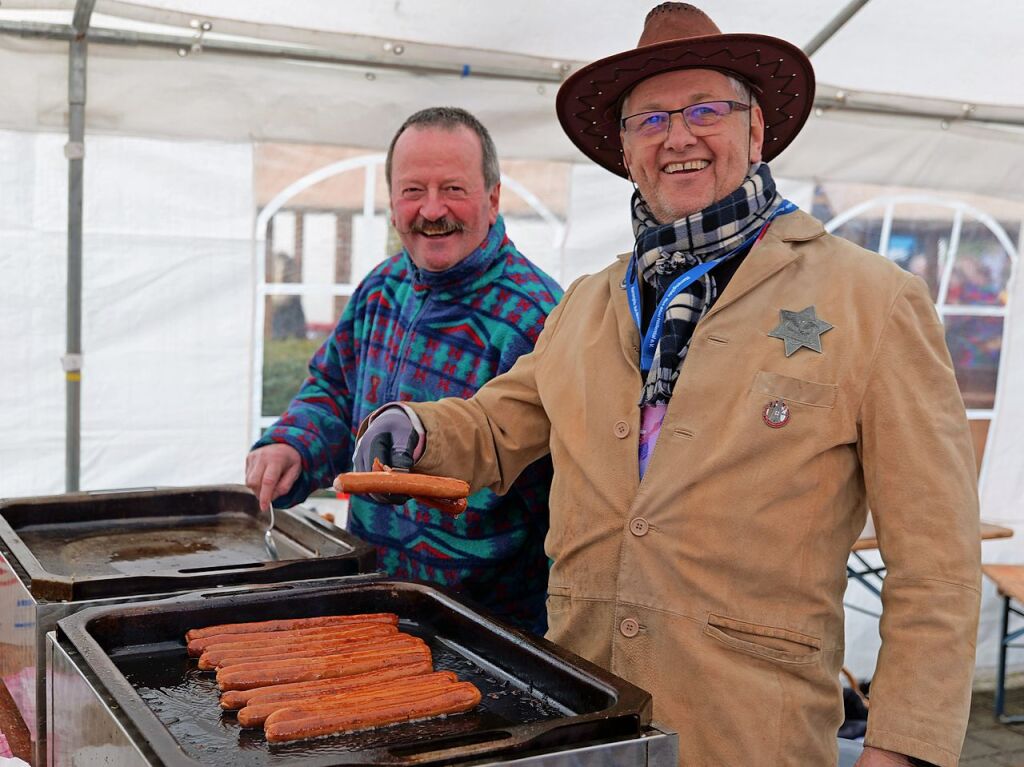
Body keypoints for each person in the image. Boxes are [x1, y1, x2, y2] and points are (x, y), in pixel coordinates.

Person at [352, 5, 981, 767]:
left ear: (756, 131)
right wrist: (417, 428)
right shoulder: (588, 302)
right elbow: (497, 424)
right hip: (582, 720)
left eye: (705, 110)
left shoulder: (872, 301)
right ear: (625, 149)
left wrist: (903, 749)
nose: (677, 136)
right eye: (649, 119)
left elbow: (936, 564)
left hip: (750, 737)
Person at [246, 107, 563, 634]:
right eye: (413, 190)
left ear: (493, 197)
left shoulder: (537, 317)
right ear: (392, 201)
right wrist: (293, 445)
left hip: (488, 629)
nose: (432, 210)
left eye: (453, 189)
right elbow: (332, 391)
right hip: (370, 600)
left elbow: (566, 501)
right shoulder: (381, 288)